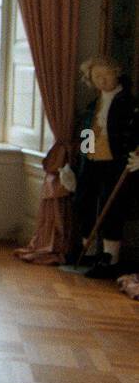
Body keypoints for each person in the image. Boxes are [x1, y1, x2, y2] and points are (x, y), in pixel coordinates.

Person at [61, 56, 137, 278]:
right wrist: (80, 161)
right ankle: (89, 253)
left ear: (116, 73)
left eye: (106, 75)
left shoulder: (131, 105)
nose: (102, 81)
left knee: (111, 208)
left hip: (117, 165)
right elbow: (87, 135)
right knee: (85, 204)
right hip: (91, 164)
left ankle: (110, 259)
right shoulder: (93, 105)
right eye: (97, 77)